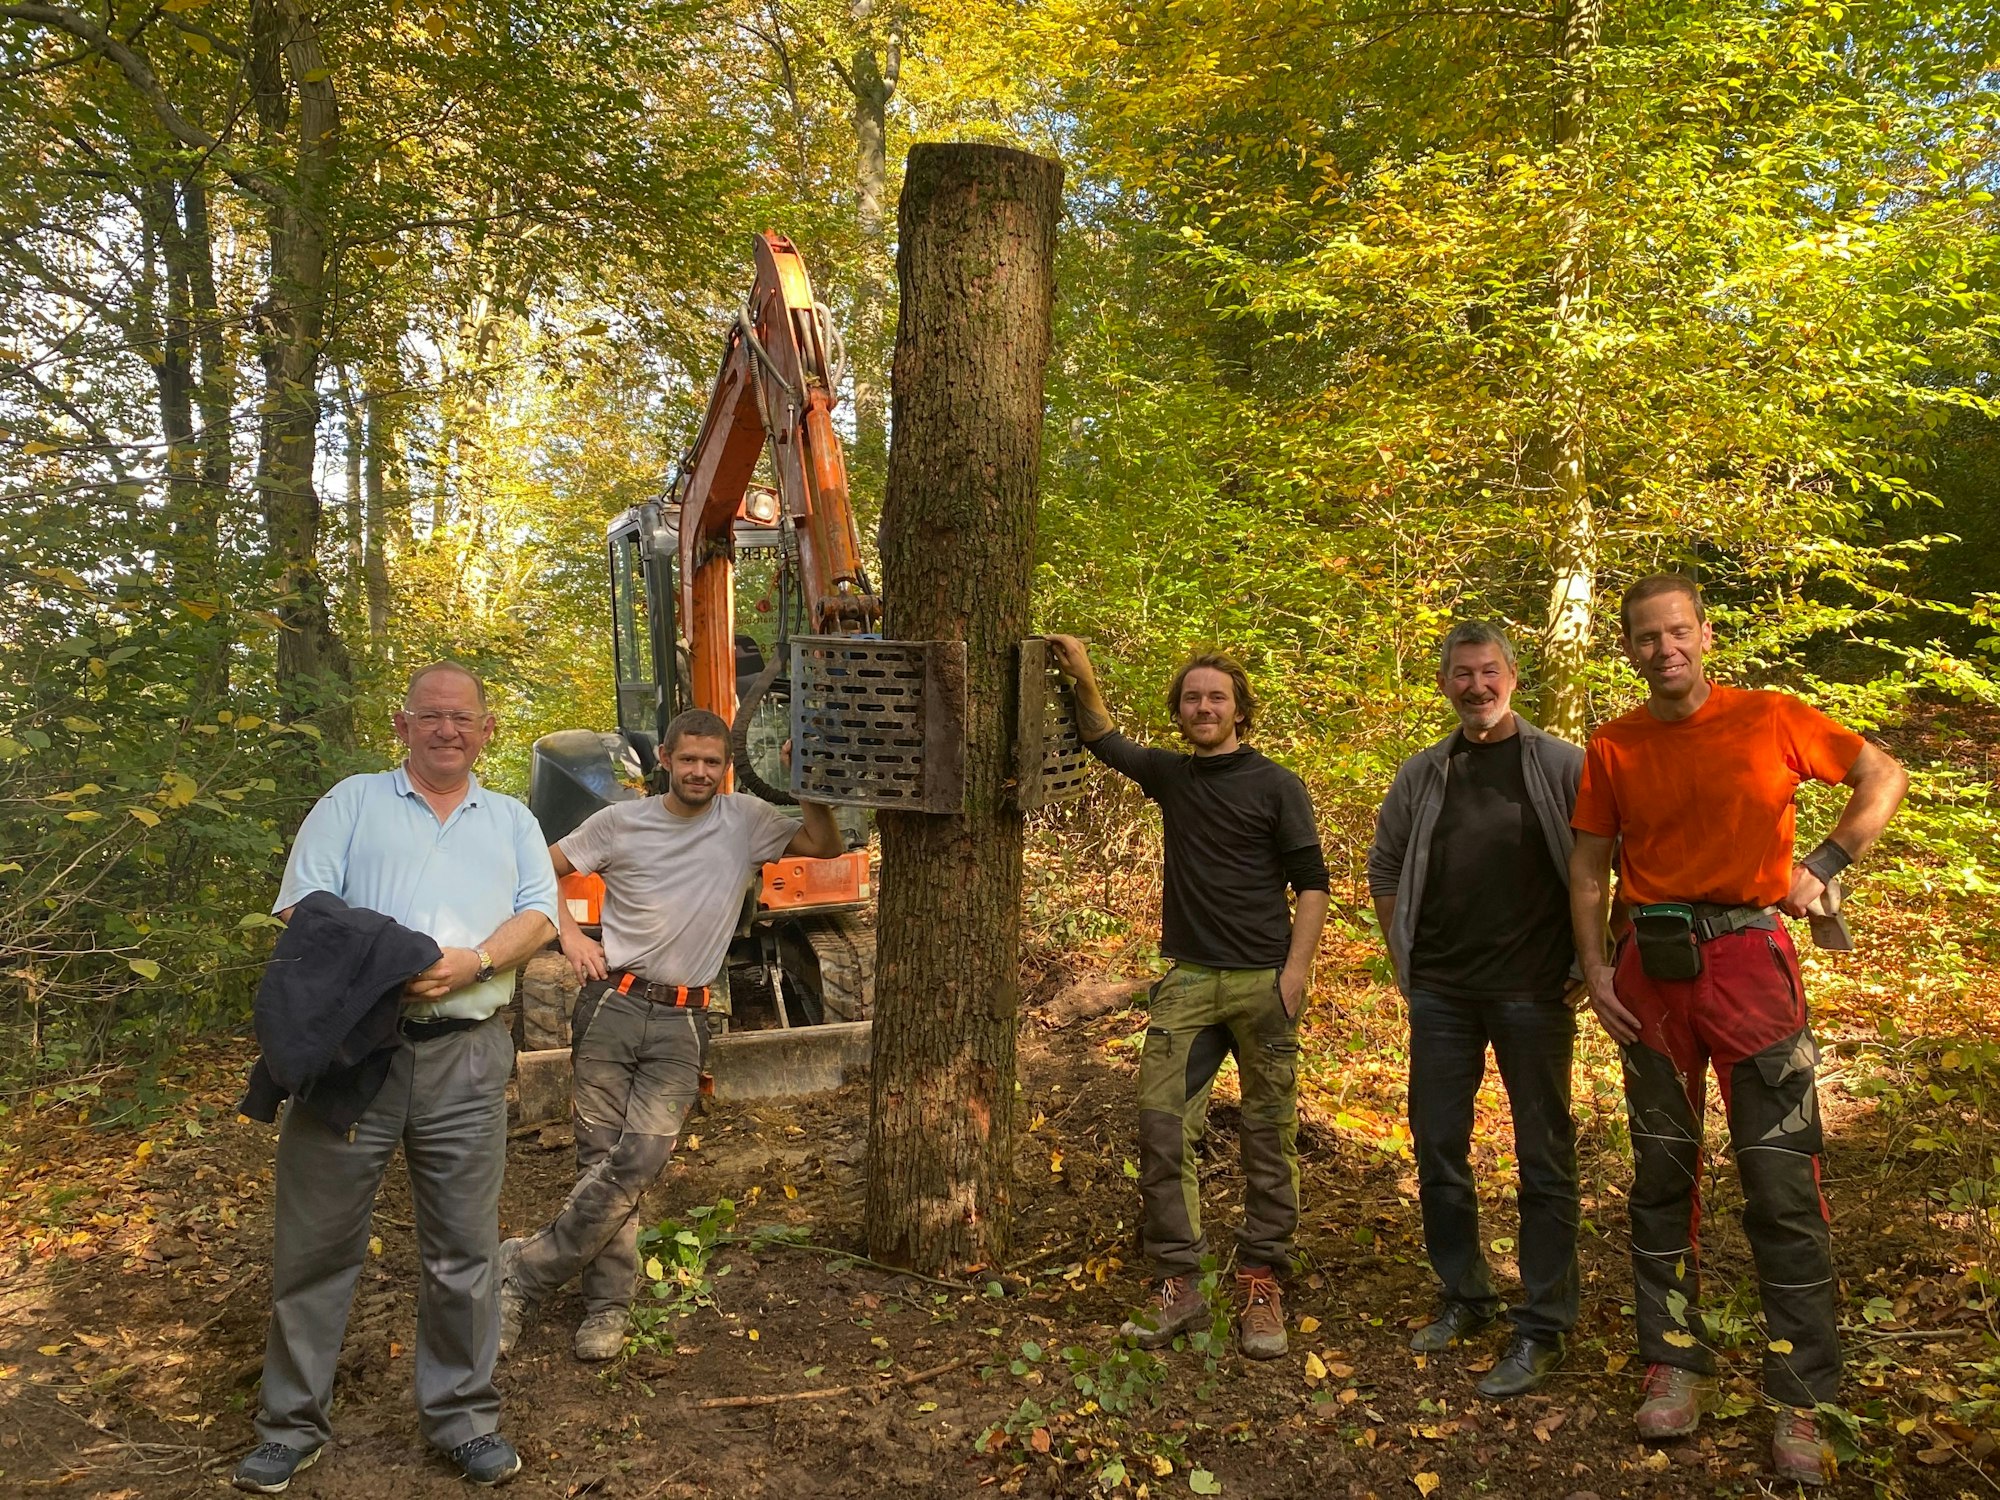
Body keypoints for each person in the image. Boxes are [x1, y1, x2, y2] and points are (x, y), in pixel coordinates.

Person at [1569, 574, 1907, 1486]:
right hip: (1652, 975)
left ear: (1706, 636)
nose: (1663, 648)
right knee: (1660, 1178)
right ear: (1630, 649)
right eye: (1645, 636)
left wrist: (1827, 860)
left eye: (1678, 631)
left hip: (1752, 968)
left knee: (1782, 1184)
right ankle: (1674, 1362)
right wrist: (1596, 968)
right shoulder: (1612, 744)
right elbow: (1589, 866)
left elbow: (1885, 772)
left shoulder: (1773, 718)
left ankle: (1801, 1396)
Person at [233, 663, 558, 1494]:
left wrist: (474, 960)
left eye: (464, 718)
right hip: (356, 1051)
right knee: (316, 1246)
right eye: (431, 716)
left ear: (487, 730)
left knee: (463, 1251)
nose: (448, 729)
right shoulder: (352, 803)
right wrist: (397, 963)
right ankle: (289, 1426)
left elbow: (540, 915)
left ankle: (464, 1419)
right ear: (401, 725)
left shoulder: (514, 819)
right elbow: (304, 907)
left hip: (469, 1055)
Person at [498, 709, 842, 1360]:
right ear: (666, 757)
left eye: (712, 762)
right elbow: (536, 869)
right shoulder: (619, 823)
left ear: (725, 767)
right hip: (612, 1004)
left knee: (641, 1159)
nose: (700, 772)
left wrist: (807, 785)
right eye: (689, 760)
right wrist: (569, 935)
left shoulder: (745, 821)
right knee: (601, 1160)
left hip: (686, 1017)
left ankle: (523, 1270)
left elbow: (822, 846)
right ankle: (606, 1308)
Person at [1048, 636, 1329, 1360]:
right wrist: (1081, 671)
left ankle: (1263, 1284)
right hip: (1188, 983)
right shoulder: (1173, 777)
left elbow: (1313, 886)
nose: (1205, 707)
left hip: (1263, 983)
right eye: (1193, 698)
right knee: (1162, 1129)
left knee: (1270, 1135)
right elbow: (1102, 737)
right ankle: (1181, 1287)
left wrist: (1294, 975)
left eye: (1217, 697)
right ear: (1179, 711)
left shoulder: (1277, 785)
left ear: (1239, 710)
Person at [1367, 622, 1584, 1399]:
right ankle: (1466, 1294)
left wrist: (1596, 957)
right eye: (1461, 675)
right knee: (1438, 1148)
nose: (1476, 687)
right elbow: (1385, 861)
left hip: (1535, 993)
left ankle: (1545, 1321)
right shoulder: (1425, 773)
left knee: (1544, 1158)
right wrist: (1404, 956)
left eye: (1488, 672)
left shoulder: (1562, 765)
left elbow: (1614, 861)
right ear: (1443, 683)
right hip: (1444, 996)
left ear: (1513, 677)